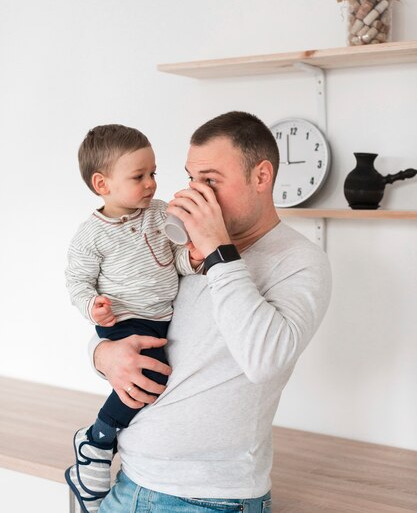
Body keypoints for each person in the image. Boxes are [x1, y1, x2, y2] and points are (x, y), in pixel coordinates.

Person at [91, 111, 332, 513]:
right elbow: (127, 315)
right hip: (129, 482)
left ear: (261, 176)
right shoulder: (179, 251)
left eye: (211, 181)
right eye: (191, 179)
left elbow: (264, 360)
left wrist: (220, 251)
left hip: (211, 500)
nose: (196, 193)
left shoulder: (300, 261)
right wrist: (102, 355)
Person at [64, 124, 203, 513]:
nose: (150, 184)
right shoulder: (91, 235)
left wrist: (190, 261)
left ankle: (103, 439)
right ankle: (96, 440)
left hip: (160, 317)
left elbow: (173, 259)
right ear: (102, 183)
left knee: (156, 380)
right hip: (124, 319)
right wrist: (92, 305)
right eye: (139, 176)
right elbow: (77, 280)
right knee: (150, 373)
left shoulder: (160, 214)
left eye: (153, 173)